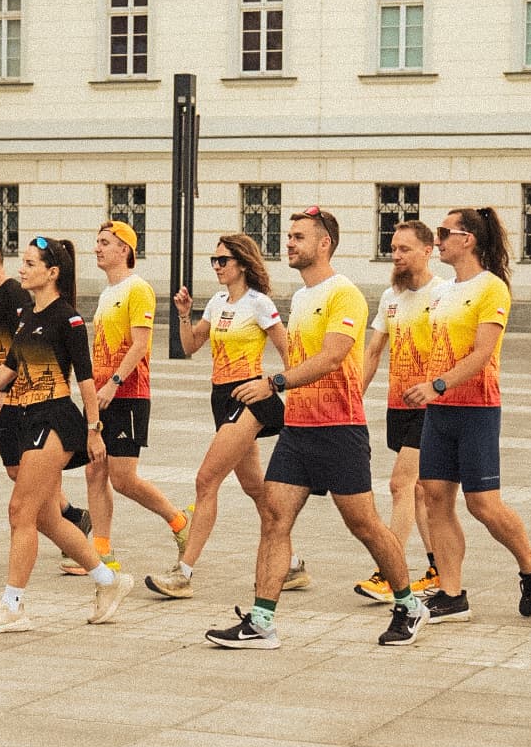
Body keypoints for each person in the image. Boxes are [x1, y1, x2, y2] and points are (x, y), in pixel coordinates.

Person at [205, 207, 427, 650]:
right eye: (289, 236)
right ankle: (262, 621)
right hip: (298, 429)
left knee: (363, 524)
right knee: (273, 517)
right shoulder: (302, 297)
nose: (289, 243)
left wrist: (273, 382)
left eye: (298, 237)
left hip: (339, 429)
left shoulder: (345, 294)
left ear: (324, 244)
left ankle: (409, 604)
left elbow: (333, 356)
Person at [0, 235, 133, 633]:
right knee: (46, 517)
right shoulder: (29, 316)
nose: (22, 269)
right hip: (30, 417)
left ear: (52, 272)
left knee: (19, 511)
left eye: (30, 264)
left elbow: (86, 380)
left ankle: (13, 606)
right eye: (23, 262)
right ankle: (109, 581)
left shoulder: (69, 319)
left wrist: (94, 429)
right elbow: (10, 367)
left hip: (56, 419)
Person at [404, 206, 531, 621]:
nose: (438, 240)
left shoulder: (492, 288)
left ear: (467, 239)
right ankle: (452, 594)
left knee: (482, 504)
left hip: (477, 409)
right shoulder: (441, 291)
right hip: (439, 411)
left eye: (444, 233)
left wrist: (436, 385)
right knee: (435, 499)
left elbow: (483, 354)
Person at [145, 232, 310, 600]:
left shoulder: (259, 303)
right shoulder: (218, 302)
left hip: (249, 397)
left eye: (223, 260)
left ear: (242, 263)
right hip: (221, 398)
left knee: (206, 480)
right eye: (214, 261)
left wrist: (284, 389)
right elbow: (190, 346)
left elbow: (288, 354)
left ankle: (183, 573)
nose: (217, 267)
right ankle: (294, 565)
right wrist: (185, 315)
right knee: (256, 489)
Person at [0, 235, 90, 558]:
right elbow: (10, 360)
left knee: (19, 480)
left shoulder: (18, 298)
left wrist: (95, 430)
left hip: (18, 403)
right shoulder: (4, 300)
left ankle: (74, 520)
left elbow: (66, 367)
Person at [62, 220, 190, 574]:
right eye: (97, 241)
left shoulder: (138, 289)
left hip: (128, 394)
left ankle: (179, 522)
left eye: (105, 242)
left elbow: (140, 344)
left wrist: (114, 382)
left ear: (125, 250)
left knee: (123, 478)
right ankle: (101, 553)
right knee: (94, 472)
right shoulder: (107, 293)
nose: (97, 248)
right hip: (100, 398)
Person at [355, 219, 441, 604]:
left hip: (433, 407)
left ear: (428, 250)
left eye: (405, 249)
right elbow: (373, 352)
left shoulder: (445, 294)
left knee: (399, 484)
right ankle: (439, 568)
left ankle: (390, 573)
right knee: (420, 491)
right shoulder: (391, 297)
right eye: (393, 249)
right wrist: (352, 396)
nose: (397, 256)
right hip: (398, 405)